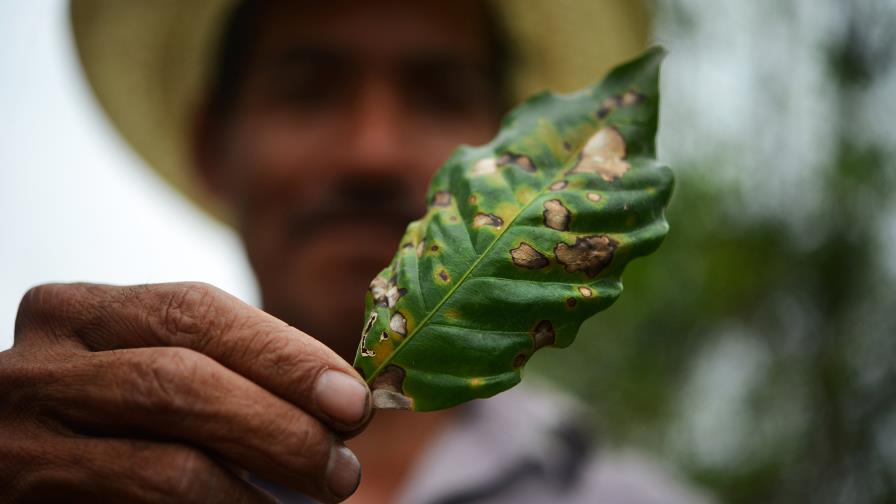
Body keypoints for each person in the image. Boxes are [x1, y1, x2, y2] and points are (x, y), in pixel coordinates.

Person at [0, 1, 710, 503]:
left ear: (523, 165)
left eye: (437, 95)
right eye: (308, 91)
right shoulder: (72, 465)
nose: (373, 152)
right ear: (210, 145)